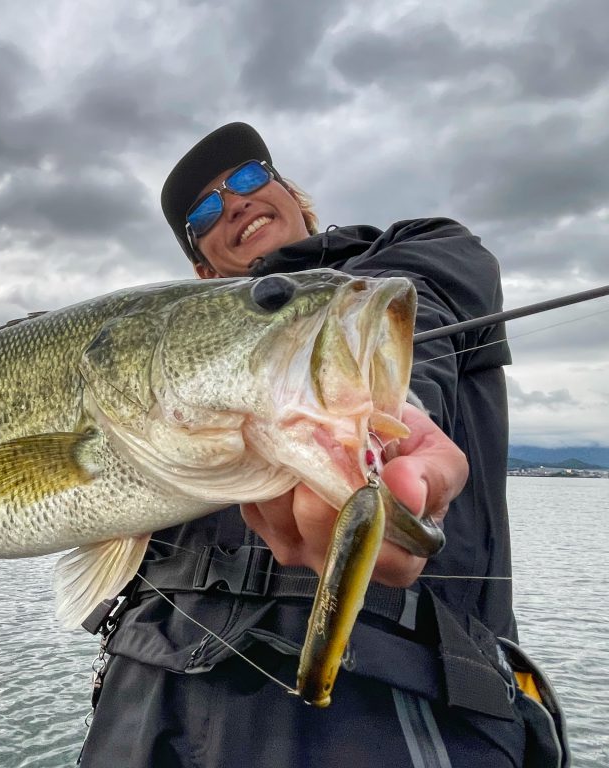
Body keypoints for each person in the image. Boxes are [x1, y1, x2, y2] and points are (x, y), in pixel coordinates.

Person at [76, 123, 568, 767]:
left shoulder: (423, 249)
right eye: (205, 213)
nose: (234, 202)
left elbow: (415, 318)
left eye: (248, 177)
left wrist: (384, 428)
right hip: (147, 700)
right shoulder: (161, 357)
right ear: (202, 272)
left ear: (293, 194)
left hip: (388, 706)